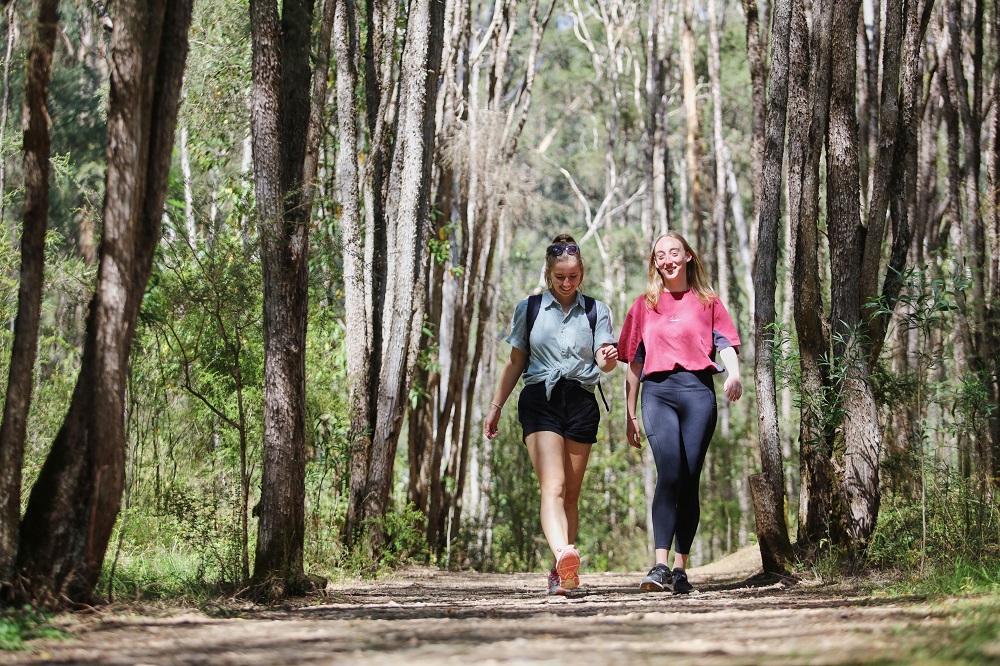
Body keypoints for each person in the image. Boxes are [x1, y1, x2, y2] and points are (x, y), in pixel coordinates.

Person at [483, 234, 619, 595]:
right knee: (553, 486)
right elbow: (515, 363)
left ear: (581, 273)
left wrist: (607, 361)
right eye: (560, 276)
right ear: (548, 273)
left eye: (573, 276)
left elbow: (606, 362)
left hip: (581, 400)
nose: (566, 282)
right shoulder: (528, 309)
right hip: (539, 399)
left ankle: (564, 574)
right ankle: (563, 554)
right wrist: (496, 407)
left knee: (571, 495)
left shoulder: (596, 310)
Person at [617, 231, 743, 594]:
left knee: (689, 478)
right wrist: (630, 415)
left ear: (688, 256)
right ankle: (658, 565)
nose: (668, 259)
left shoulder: (708, 301)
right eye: (661, 255)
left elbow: (726, 345)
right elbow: (634, 364)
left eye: (675, 252)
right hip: (657, 394)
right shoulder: (644, 304)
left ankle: (680, 568)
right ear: (655, 263)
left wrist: (733, 374)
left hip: (698, 393)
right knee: (669, 470)